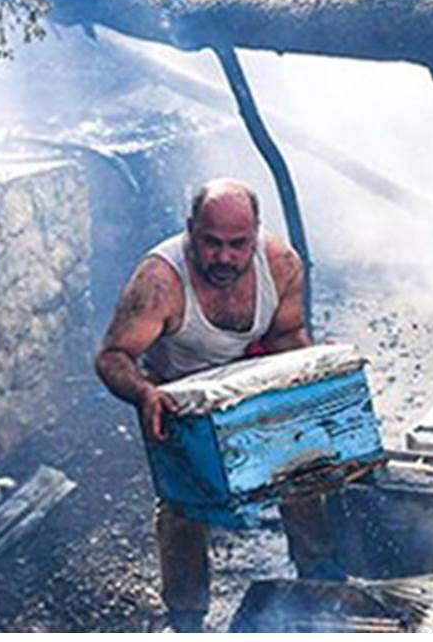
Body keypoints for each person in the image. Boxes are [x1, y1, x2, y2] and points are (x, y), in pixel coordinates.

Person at [94, 178, 344, 633]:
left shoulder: (281, 265)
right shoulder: (159, 282)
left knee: (303, 469)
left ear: (255, 235)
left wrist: (310, 382)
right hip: (181, 402)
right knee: (182, 506)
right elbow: (113, 355)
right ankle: (187, 618)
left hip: (251, 384)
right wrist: (146, 393)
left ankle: (320, 582)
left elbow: (286, 334)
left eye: (237, 245)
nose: (224, 257)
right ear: (191, 230)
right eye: (211, 243)